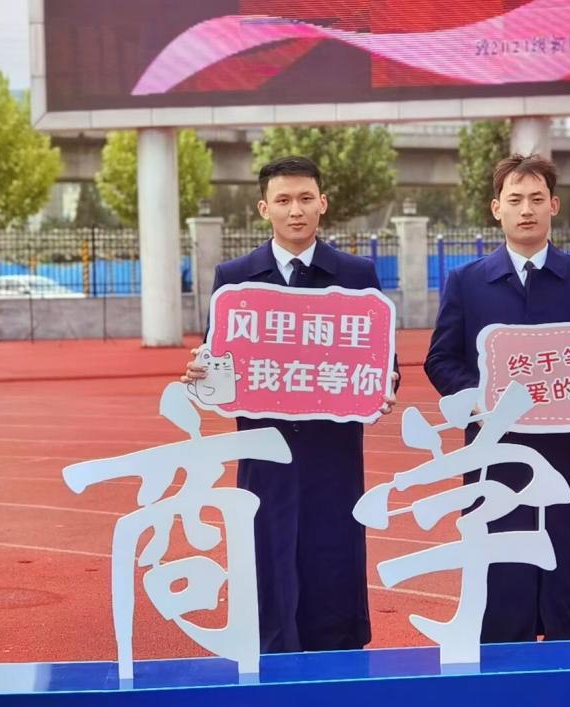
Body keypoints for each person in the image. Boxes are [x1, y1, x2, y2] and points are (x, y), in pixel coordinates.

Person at [183, 156, 398, 653]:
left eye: (305, 198)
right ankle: (270, 653)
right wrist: (201, 373)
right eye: (283, 200)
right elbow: (219, 359)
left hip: (333, 451)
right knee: (267, 549)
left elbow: (379, 357)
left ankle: (336, 652)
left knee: (334, 550)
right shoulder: (236, 278)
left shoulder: (356, 274)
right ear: (264, 209)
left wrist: (385, 383)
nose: (295, 210)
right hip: (264, 451)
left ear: (323, 203)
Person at [424, 153, 570, 644]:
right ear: (497, 209)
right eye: (515, 200)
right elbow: (441, 359)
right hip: (494, 455)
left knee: (567, 570)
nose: (526, 209)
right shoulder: (467, 282)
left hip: (565, 454)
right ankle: (502, 671)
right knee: (499, 573)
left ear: (554, 205)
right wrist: (477, 401)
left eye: (536, 199)